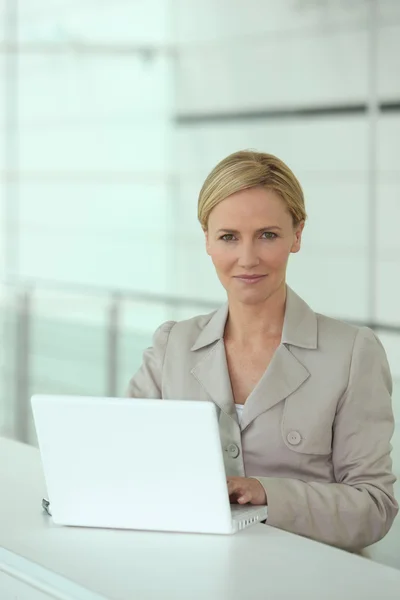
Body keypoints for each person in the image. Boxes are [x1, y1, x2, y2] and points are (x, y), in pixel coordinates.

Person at [127, 150, 398, 551]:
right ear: (207, 240)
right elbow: (124, 464)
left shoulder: (353, 353)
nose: (247, 258)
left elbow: (374, 506)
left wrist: (266, 493)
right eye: (228, 237)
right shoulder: (172, 346)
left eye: (268, 235)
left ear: (297, 236)